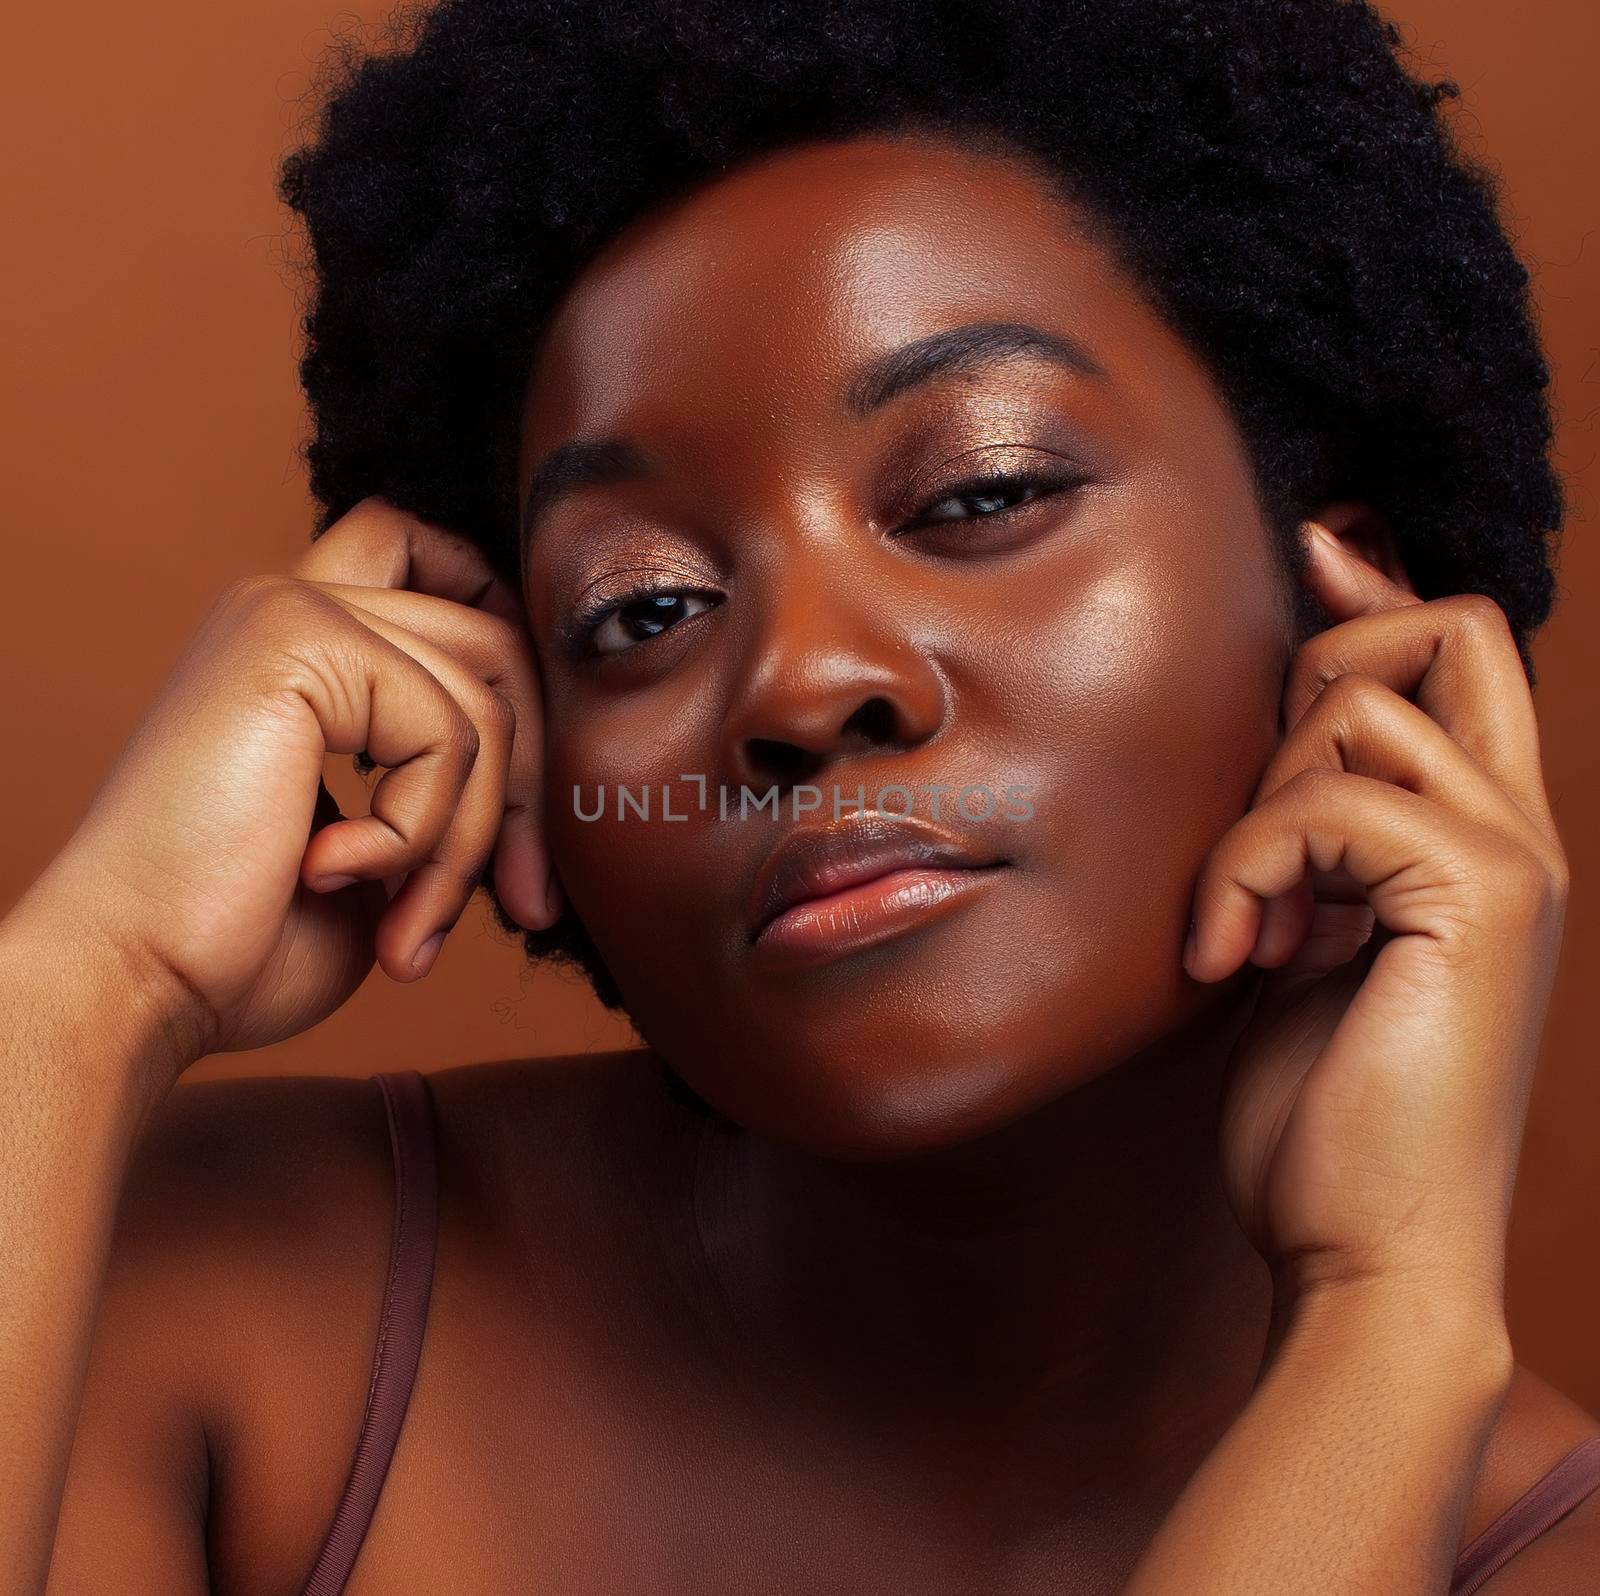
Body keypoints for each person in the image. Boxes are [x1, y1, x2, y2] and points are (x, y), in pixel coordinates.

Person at [3, 0, 1594, 1590]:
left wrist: (1390, 1321)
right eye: (643, 609)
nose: (798, 685)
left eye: (980, 491)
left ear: (1348, 610)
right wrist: (85, 984)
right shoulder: (238, 1303)